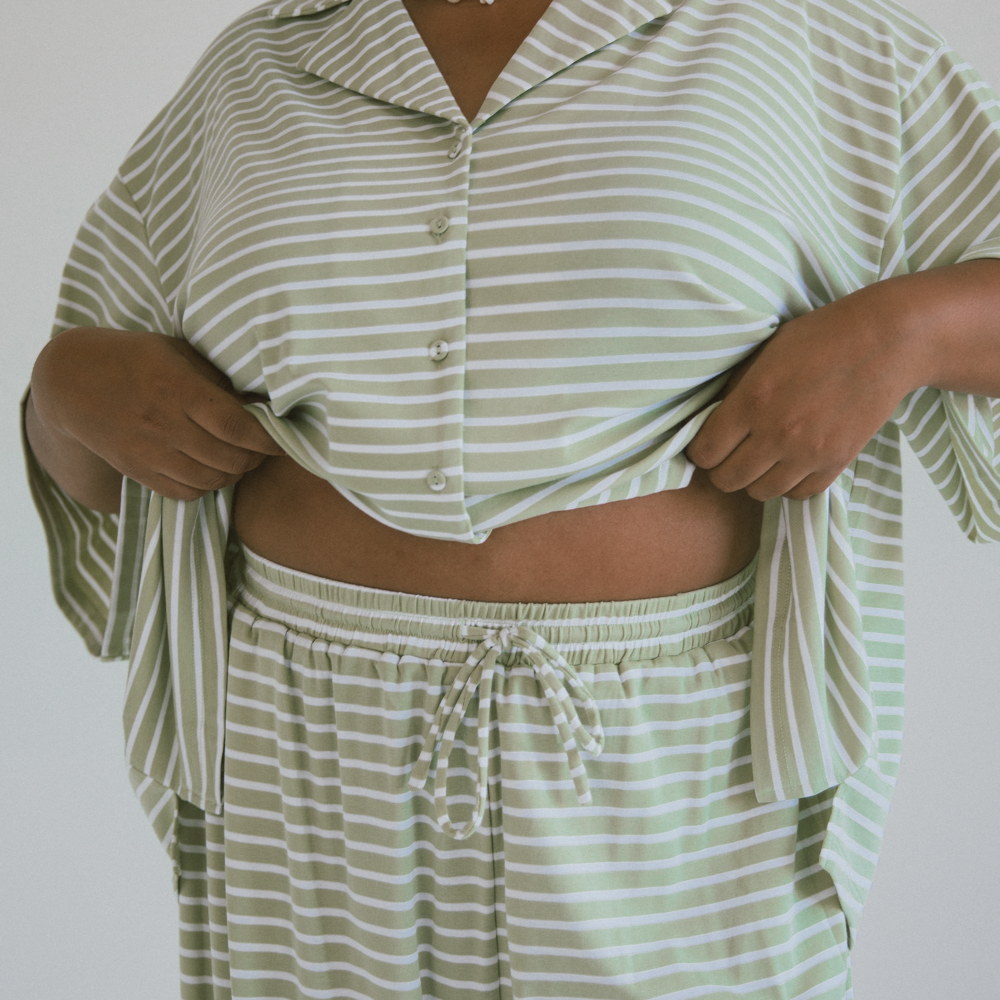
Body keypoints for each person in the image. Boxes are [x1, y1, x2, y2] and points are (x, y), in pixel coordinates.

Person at [21, 0, 1000, 997]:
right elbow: (95, 480)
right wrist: (62, 390)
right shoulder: (259, 68)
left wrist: (905, 331)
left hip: (684, 768)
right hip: (304, 750)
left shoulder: (815, 42)